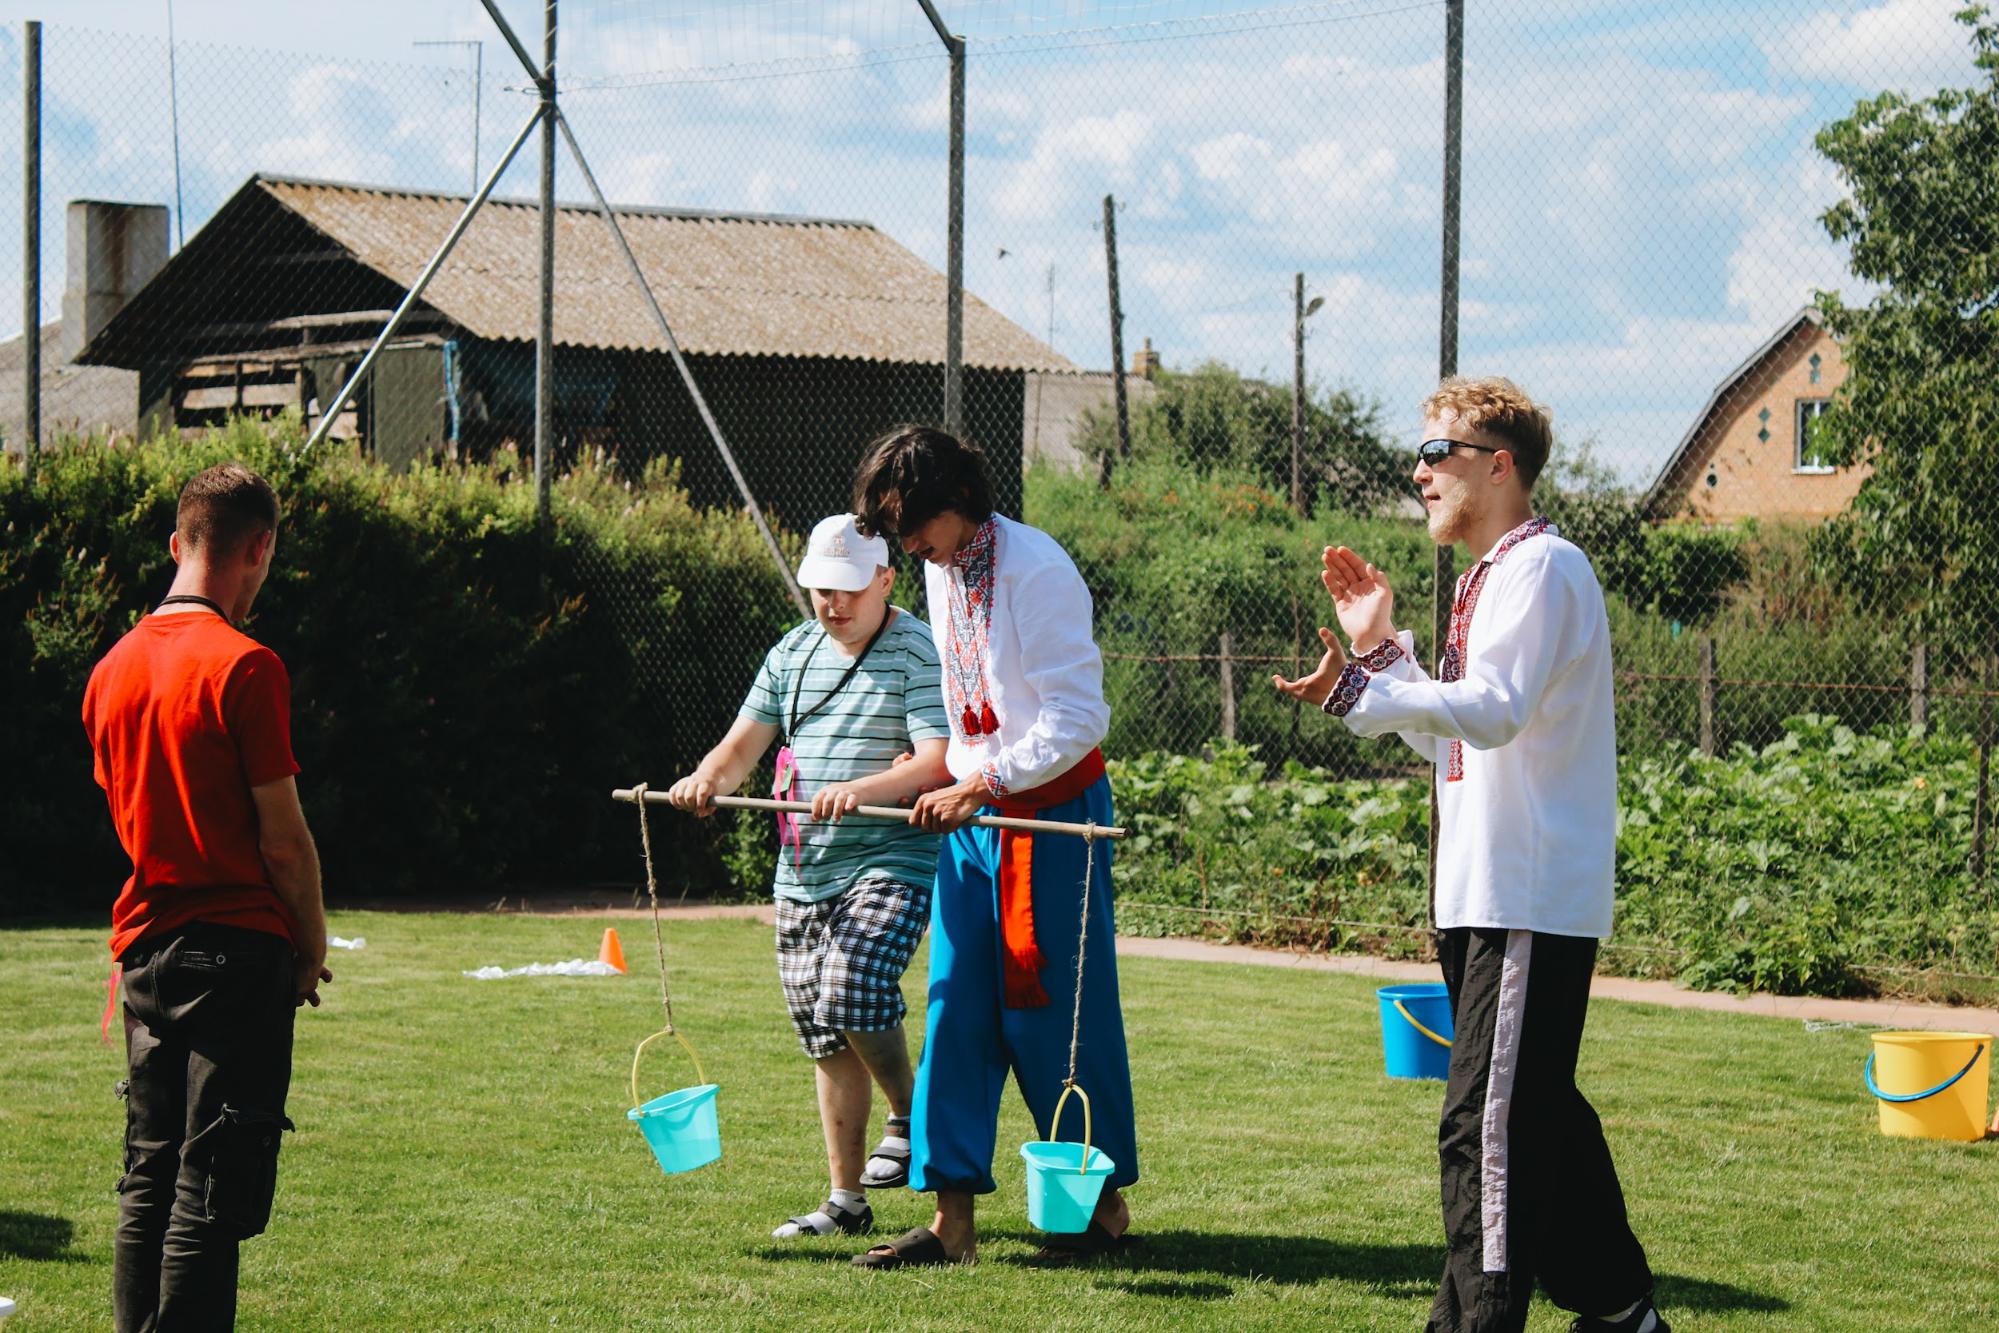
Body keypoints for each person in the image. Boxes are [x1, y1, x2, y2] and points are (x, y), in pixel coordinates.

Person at [1273, 377, 1667, 1333]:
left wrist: (1373, 680)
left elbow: (1489, 710)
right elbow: (1456, 733)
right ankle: (1621, 1313)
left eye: (1436, 453)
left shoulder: (1542, 567)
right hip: (1488, 895)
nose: (1418, 473)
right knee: (1540, 1119)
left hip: (1523, 897)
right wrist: (1377, 663)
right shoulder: (1493, 573)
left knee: (1482, 1129)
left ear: (1499, 465)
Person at [846, 425, 1138, 1271]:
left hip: (1052, 821)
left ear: (958, 500)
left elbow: (1078, 717)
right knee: (956, 1010)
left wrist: (983, 783)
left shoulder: (1037, 570)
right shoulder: (942, 569)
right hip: (976, 828)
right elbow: (963, 695)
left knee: (1055, 1014)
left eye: (913, 524)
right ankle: (951, 1222)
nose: (907, 547)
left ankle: (1099, 1211)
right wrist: (955, 782)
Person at [82, 462, 331, 1332]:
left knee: (146, 1176)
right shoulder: (248, 665)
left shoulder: (109, 670)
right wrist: (311, 944)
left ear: (176, 541)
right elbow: (283, 839)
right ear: (259, 548)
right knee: (211, 1189)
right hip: (235, 947)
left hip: (144, 950)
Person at [667, 513, 951, 1241]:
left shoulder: (917, 648)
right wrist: (704, 780)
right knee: (825, 1033)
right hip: (803, 870)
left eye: (849, 589)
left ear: (886, 579)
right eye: (822, 589)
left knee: (851, 985)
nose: (834, 604)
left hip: (891, 860)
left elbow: (937, 760)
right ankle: (845, 1200)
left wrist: (861, 788)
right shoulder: (791, 651)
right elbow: (739, 749)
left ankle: (910, 1115)